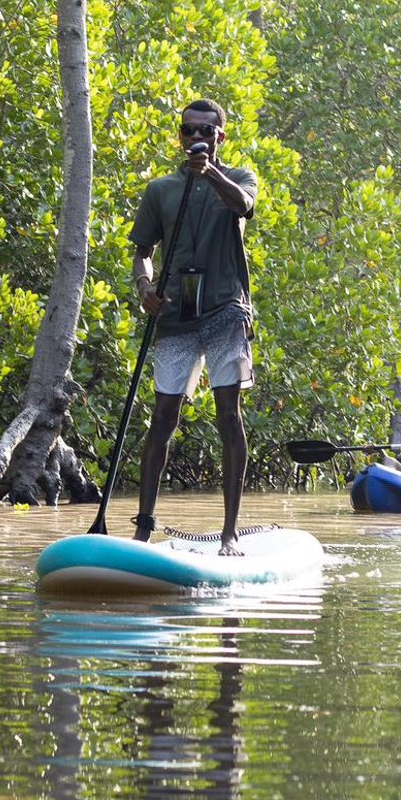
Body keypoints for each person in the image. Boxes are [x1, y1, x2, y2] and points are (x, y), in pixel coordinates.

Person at [130, 100, 258, 555]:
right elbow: (143, 248)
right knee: (162, 417)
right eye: (188, 130)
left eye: (206, 130)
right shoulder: (161, 189)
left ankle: (228, 534)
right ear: (180, 137)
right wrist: (145, 285)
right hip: (176, 317)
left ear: (221, 136)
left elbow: (243, 206)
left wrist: (211, 174)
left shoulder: (239, 177)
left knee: (228, 416)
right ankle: (143, 528)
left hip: (226, 311)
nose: (195, 136)